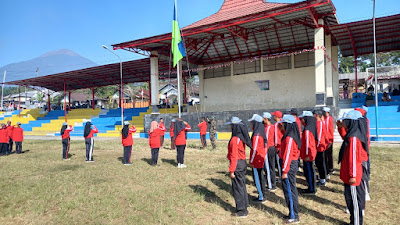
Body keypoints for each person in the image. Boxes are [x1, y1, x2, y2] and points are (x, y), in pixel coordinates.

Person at [337, 110, 368, 225]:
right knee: (349, 199)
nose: (343, 123)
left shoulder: (354, 138)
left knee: (354, 201)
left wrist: (352, 175)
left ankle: (356, 222)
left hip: (352, 176)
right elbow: (345, 138)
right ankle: (353, 221)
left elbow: (354, 158)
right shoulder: (352, 135)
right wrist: (341, 128)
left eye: (345, 121)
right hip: (348, 174)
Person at [225, 116, 252, 218]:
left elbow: (234, 156)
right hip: (242, 163)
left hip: (237, 164)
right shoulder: (240, 137)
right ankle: (245, 205)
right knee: (242, 185)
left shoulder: (235, 139)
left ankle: (241, 210)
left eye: (231, 126)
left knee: (237, 187)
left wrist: (231, 170)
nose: (230, 128)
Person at [276, 115, 301, 224]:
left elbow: (287, 156)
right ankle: (292, 212)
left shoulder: (290, 138)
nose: (281, 126)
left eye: (283, 124)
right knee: (289, 189)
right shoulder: (290, 135)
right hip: (289, 165)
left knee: (290, 191)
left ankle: (293, 216)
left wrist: (284, 171)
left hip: (289, 166)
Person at [248, 114, 267, 203]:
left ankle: (261, 196)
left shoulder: (256, 135)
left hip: (256, 160)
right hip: (261, 158)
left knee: (257, 178)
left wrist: (251, 161)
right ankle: (262, 194)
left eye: (252, 122)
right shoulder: (262, 131)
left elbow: (254, 149)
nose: (251, 124)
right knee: (261, 177)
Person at [298, 111, 318, 195]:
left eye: (302, 118)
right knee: (310, 170)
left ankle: (311, 189)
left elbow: (307, 144)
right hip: (311, 153)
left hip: (308, 155)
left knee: (309, 171)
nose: (301, 120)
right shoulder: (312, 127)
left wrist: (307, 155)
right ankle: (312, 187)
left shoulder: (307, 131)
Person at [262, 112, 277, 192]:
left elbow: (266, 141)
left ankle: (271, 184)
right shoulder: (273, 127)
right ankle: (272, 183)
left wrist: (264, 152)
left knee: (268, 167)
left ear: (266, 119)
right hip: (272, 148)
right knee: (272, 166)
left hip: (269, 149)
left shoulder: (268, 128)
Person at [314, 110, 328, 186]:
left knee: (320, 163)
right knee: (320, 162)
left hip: (319, 147)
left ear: (317, 115)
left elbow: (319, 136)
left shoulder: (319, 124)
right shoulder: (320, 123)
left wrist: (316, 145)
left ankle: (322, 179)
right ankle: (322, 176)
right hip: (320, 146)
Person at [272, 111, 284, 180]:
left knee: (280, 163)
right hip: (283, 145)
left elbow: (276, 137)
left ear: (276, 117)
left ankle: (281, 177)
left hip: (279, 146)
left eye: (274, 116)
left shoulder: (277, 125)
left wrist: (276, 146)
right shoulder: (283, 122)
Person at [323, 107, 335, 175]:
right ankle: (327, 167)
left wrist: (330, 139)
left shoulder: (329, 118)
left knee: (329, 154)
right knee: (325, 154)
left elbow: (330, 129)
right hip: (325, 139)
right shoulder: (324, 119)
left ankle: (331, 168)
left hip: (329, 139)